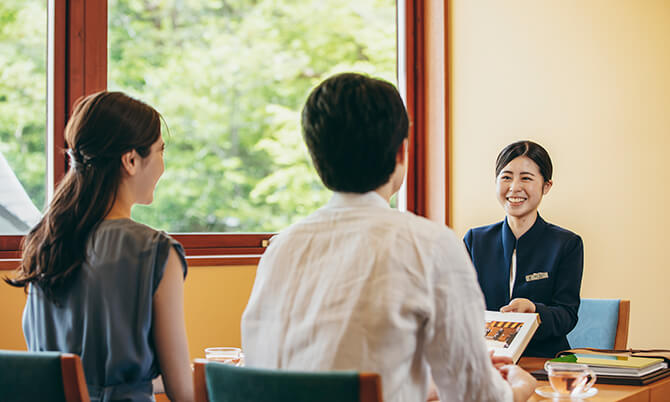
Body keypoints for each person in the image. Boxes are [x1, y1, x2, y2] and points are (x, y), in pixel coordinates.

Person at [241, 73, 536, 402]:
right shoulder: (430, 245)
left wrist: (426, 382)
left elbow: (274, 373)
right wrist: (518, 388)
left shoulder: (281, 248)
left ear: (315, 157)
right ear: (401, 153)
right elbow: (476, 397)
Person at [5, 91, 193, 402]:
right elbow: (183, 394)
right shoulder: (157, 251)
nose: (163, 165)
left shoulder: (44, 243)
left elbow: (77, 383)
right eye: (161, 151)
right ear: (131, 160)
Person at [464, 140, 584, 358]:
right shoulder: (475, 240)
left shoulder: (566, 244)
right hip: (485, 360)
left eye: (526, 178)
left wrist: (534, 310)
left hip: (544, 361)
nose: (514, 187)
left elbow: (567, 315)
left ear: (546, 186)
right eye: (506, 177)